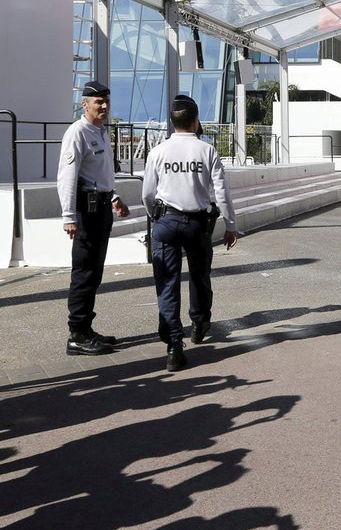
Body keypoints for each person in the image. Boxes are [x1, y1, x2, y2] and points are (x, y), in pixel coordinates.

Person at [141, 94, 238, 371]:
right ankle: (199, 323)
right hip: (197, 223)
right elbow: (221, 191)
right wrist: (230, 225)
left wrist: (156, 216)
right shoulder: (206, 151)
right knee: (199, 277)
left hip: (166, 223)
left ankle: (173, 346)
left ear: (172, 122)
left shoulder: (158, 152)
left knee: (167, 284)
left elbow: (147, 193)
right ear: (196, 121)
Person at [56, 80, 130, 356]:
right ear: (84, 104)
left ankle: (86, 329)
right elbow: (67, 177)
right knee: (84, 273)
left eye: (106, 101)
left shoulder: (99, 131)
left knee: (95, 272)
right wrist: (68, 216)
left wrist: (113, 197)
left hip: (101, 207)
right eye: (98, 102)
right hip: (85, 211)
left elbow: (99, 174)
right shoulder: (77, 133)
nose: (104, 106)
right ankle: (76, 334)